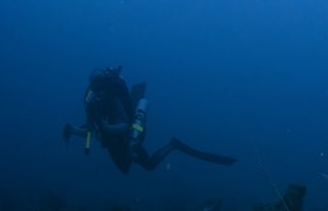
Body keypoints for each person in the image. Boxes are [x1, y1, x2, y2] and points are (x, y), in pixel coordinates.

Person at [62, 66, 236, 174]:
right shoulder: (93, 103)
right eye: (95, 88)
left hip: (128, 136)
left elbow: (125, 125)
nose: (98, 91)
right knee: (126, 169)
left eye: (101, 86)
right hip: (113, 141)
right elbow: (90, 132)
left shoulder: (114, 99)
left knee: (148, 165)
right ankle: (169, 146)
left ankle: (173, 145)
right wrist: (73, 129)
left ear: (105, 84)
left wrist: (107, 128)